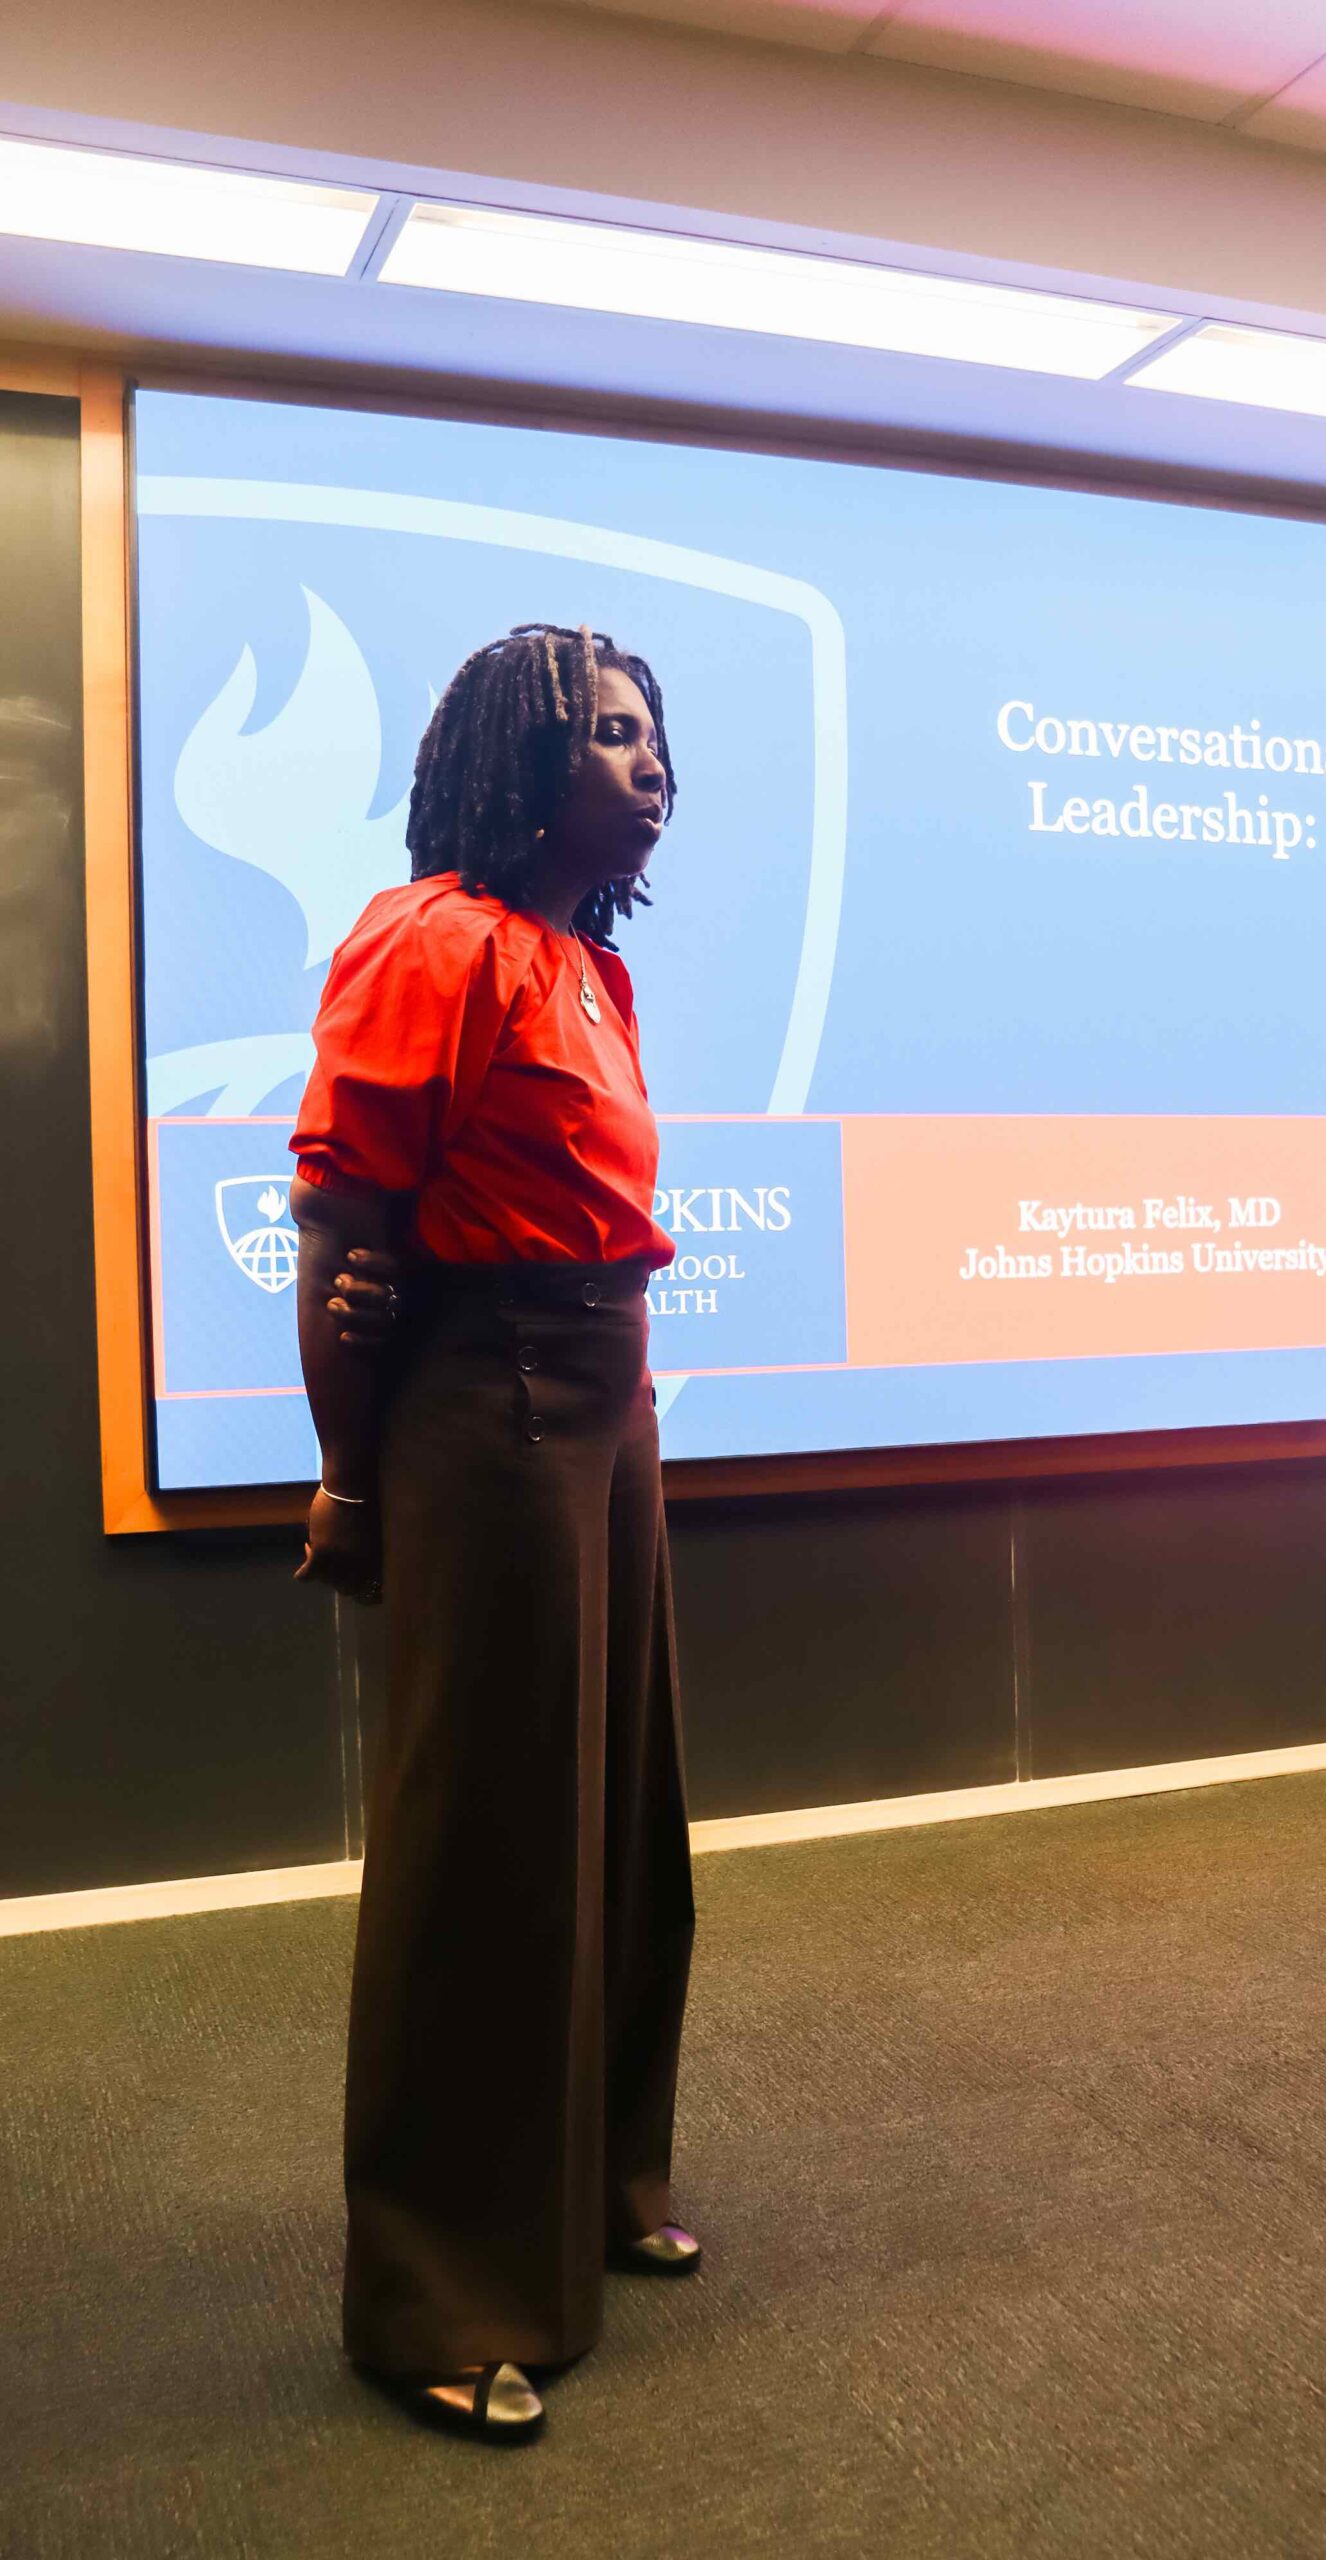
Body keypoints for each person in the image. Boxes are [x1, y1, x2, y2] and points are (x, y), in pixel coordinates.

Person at [289, 622, 697, 2445]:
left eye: (653, 736)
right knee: (487, 1841)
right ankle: (434, 2293)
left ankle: (590, 2188)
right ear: (518, 768)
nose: (648, 763)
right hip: (490, 1404)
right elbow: (342, 1235)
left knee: (618, 1814)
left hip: (606, 1405)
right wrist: (350, 1479)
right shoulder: (427, 939)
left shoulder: (587, 969)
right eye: (609, 737)